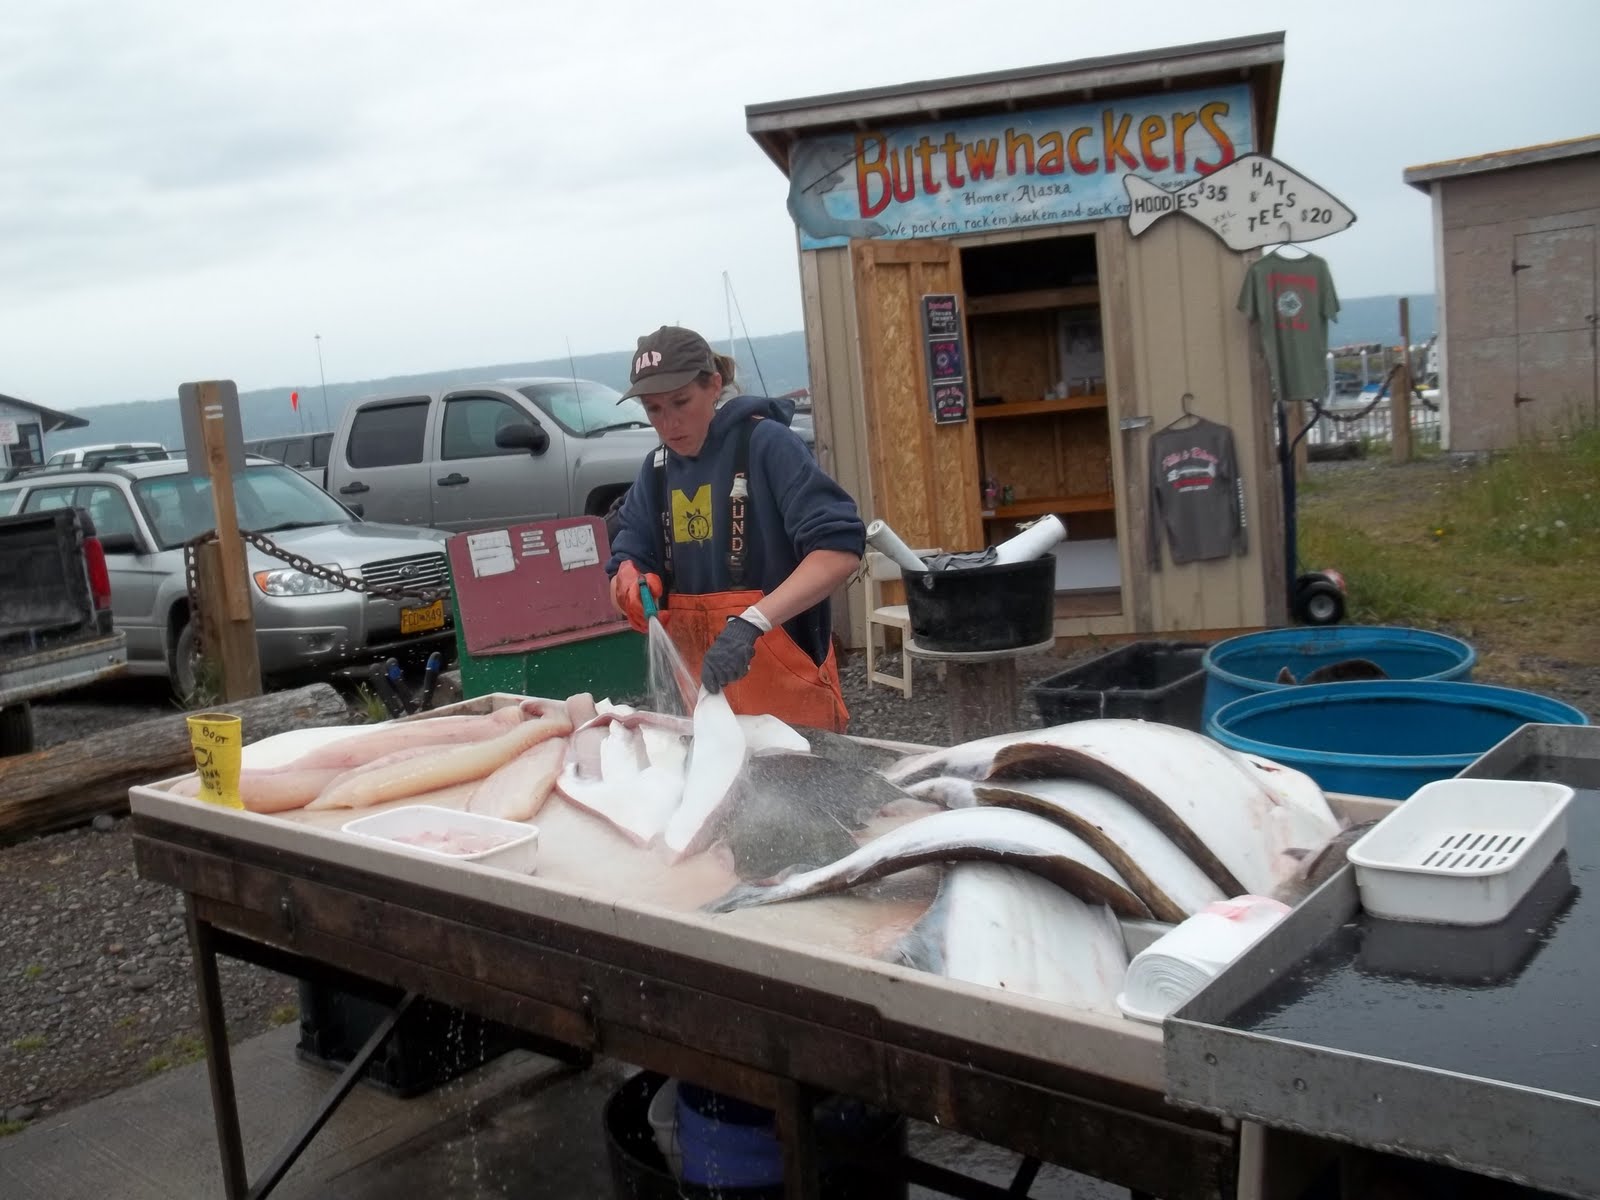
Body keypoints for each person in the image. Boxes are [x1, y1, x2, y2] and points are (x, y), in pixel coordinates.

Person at [605, 325, 864, 732]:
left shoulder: (768, 444)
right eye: (653, 409)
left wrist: (753, 622)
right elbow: (623, 569)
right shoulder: (655, 472)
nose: (669, 423)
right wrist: (627, 589)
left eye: (681, 402)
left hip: (794, 717)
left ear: (714, 385)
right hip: (706, 720)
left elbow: (839, 550)